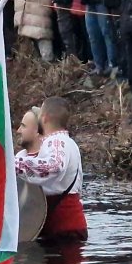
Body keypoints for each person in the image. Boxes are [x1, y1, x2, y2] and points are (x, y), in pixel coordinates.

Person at [14, 96, 88, 240]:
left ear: (45, 118)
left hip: (65, 230)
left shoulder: (56, 141)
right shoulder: (68, 142)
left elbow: (53, 166)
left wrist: (15, 165)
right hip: (65, 229)